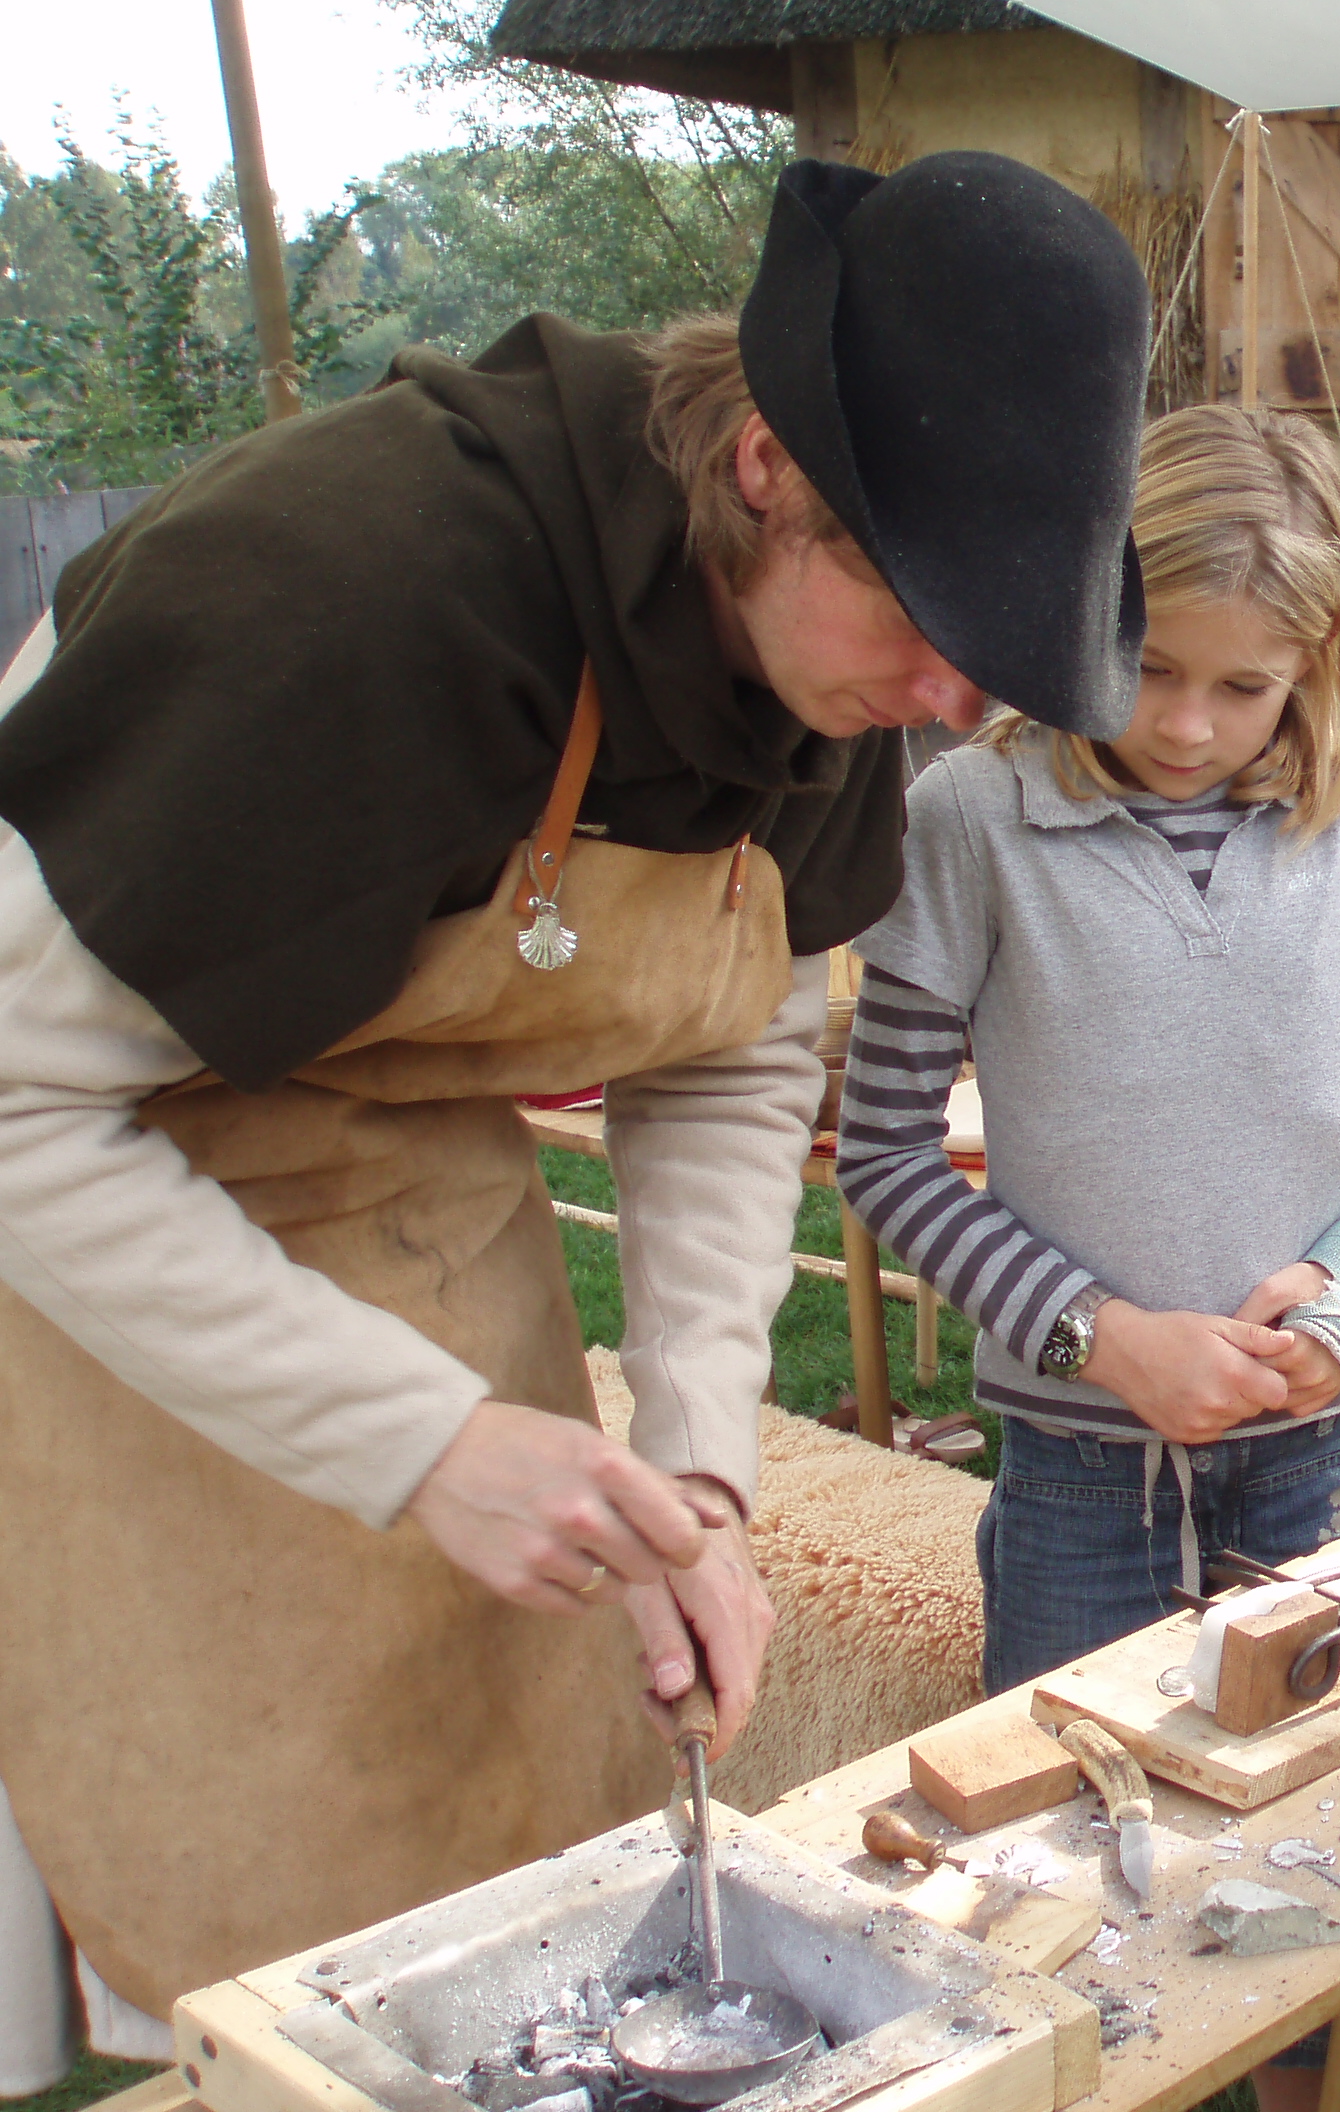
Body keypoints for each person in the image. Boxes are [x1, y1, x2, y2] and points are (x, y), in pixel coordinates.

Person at [0, 153, 1153, 2085]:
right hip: (100, 1238)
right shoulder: (347, 604)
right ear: (767, 465)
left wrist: (699, 1464)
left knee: (511, 1853)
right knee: (261, 1952)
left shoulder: (834, 683)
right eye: (927, 610)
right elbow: (16, 1104)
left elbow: (725, 1046)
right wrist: (417, 1439)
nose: (957, 699)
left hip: (423, 1201)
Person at [834, 403, 1340, 2112]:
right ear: (1082, 614)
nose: (1194, 725)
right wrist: (1099, 1336)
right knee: (1072, 1900)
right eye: (1154, 669)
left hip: (1320, 1455)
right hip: (1079, 1474)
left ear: (1322, 659)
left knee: (1333, 1871)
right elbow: (882, 1155)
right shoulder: (968, 820)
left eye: (1249, 685)